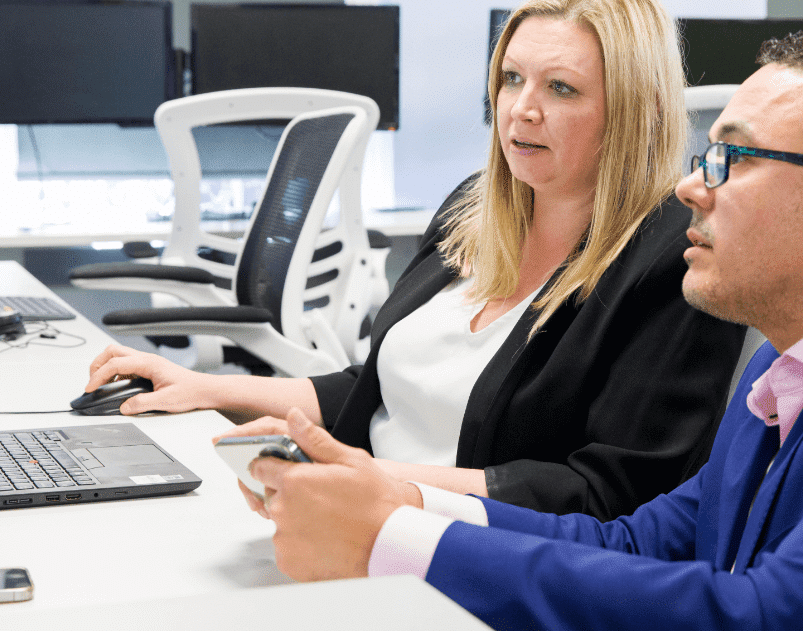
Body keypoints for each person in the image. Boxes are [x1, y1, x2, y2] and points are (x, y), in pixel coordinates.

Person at [87, 0, 746, 520]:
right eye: (512, 78)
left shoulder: (671, 260)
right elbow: (372, 389)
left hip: (467, 555)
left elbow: (612, 493)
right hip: (357, 515)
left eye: (561, 88)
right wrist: (204, 387)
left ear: (630, 111)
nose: (521, 109)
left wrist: (377, 480)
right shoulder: (472, 212)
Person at [244, 31, 803, 630]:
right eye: (510, 79)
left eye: (736, 159)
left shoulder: (660, 265)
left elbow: (762, 614)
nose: (691, 187)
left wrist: (394, 540)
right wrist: (400, 505)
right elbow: (638, 542)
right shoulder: (774, 377)